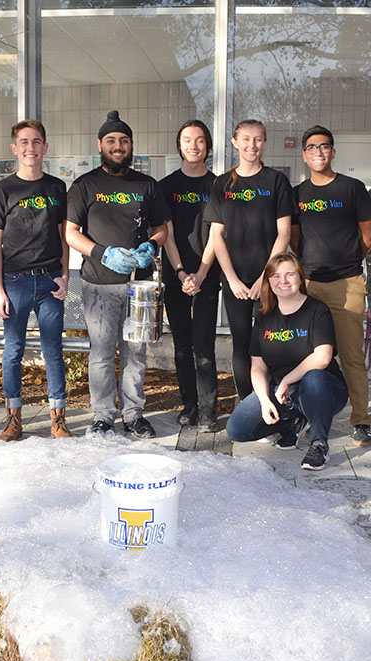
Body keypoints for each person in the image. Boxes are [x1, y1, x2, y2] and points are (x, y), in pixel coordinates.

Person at [65, 110, 170, 438]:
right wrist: (101, 252)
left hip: (138, 285)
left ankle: (133, 414)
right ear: (100, 145)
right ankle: (103, 415)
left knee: (135, 351)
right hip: (98, 282)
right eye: (111, 140)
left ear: (131, 145)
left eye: (124, 140)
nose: (118, 145)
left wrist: (151, 246)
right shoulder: (85, 185)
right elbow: (70, 232)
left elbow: (162, 228)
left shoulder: (146, 185)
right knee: (101, 352)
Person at [0, 120, 72, 441]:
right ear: (14, 148)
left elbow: (64, 236)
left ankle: (58, 419)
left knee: (53, 351)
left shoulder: (56, 188)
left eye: (36, 142)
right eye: (24, 142)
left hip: (50, 281)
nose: (30, 148)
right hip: (15, 281)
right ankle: (13, 419)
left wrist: (64, 276)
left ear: (45, 147)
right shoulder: (3, 190)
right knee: (13, 352)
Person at [293, 125, 371, 447]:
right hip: (310, 285)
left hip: (347, 285)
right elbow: (296, 239)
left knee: (352, 356)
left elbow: (368, 235)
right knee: (308, 356)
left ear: (333, 151)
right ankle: (306, 414)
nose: (318, 152)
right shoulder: (297, 193)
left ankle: (361, 421)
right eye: (312, 147)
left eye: (324, 146)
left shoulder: (352, 188)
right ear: (304, 155)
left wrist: (347, 260)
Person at [225, 251, 348, 471]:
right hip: (286, 394)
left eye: (290, 274)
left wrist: (286, 381)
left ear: (300, 278)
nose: (283, 281)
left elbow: (322, 357)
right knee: (237, 429)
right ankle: (291, 422)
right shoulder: (264, 317)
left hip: (325, 389)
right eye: (276, 276)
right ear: (269, 281)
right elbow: (258, 366)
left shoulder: (317, 310)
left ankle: (319, 444)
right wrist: (264, 401)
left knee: (314, 378)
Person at [206, 119, 293, 401]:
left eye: (257, 139)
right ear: (234, 142)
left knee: (273, 345)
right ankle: (250, 405)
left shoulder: (276, 181)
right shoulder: (222, 183)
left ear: (265, 143)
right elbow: (217, 235)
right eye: (245, 139)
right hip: (235, 282)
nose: (251, 145)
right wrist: (232, 279)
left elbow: (284, 234)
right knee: (242, 345)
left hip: (270, 281)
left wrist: (265, 278)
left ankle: (279, 407)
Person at [158, 120, 219, 432]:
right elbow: (166, 234)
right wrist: (182, 271)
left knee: (204, 345)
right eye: (187, 140)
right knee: (181, 345)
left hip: (208, 273)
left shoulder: (219, 186)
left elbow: (218, 235)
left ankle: (209, 410)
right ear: (178, 145)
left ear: (208, 146)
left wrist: (201, 272)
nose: (193, 145)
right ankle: (190, 404)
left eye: (199, 140)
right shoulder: (166, 186)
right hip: (176, 274)